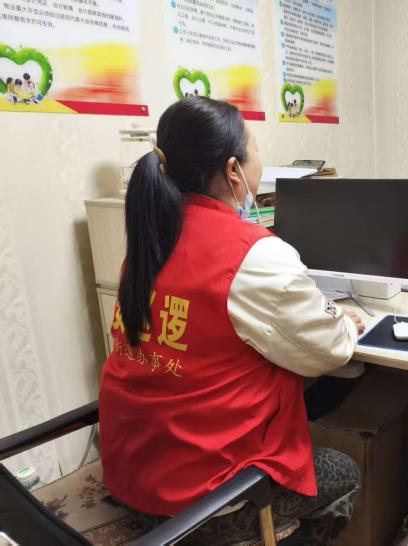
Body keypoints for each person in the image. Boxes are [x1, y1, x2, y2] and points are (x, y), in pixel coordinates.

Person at [99, 96, 364, 545]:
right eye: (255, 147)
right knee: (346, 473)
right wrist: (344, 321)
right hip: (204, 500)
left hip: (129, 476)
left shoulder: (149, 242)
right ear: (233, 169)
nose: (261, 158)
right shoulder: (253, 255)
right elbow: (331, 350)